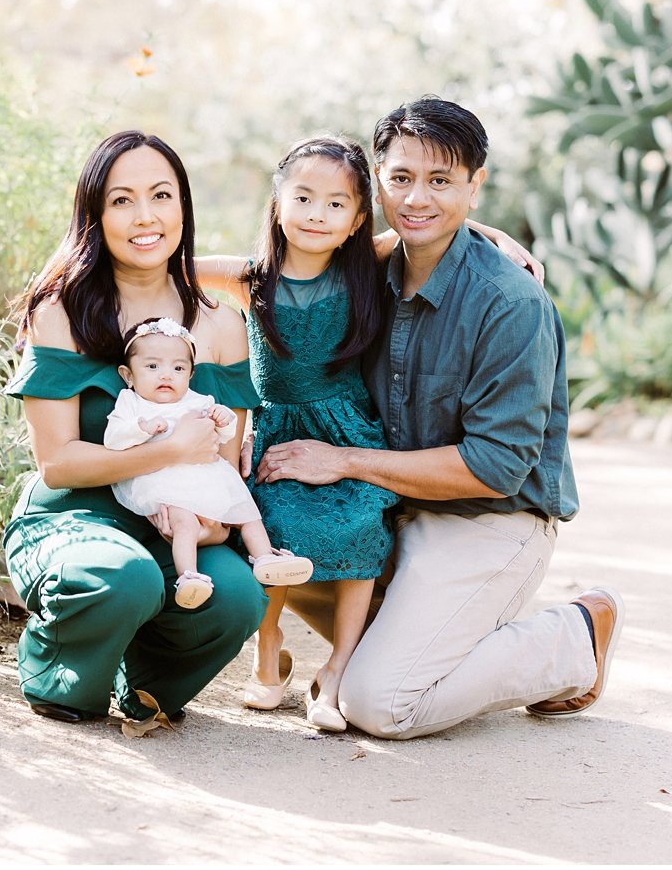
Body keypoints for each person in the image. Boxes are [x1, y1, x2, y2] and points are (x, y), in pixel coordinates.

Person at [254, 96, 624, 740]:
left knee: (383, 703)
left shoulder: (510, 302)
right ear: (378, 182)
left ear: (476, 187)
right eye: (401, 179)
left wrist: (341, 460)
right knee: (263, 546)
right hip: (388, 509)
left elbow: (496, 467)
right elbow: (248, 275)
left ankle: (574, 636)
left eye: (442, 182)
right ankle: (413, 637)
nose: (417, 198)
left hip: (485, 519)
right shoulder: (361, 273)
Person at [2, 130, 267, 726]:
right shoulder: (61, 312)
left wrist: (211, 530)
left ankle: (145, 679)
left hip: (177, 520)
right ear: (95, 215)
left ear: (184, 207)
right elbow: (59, 464)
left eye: (161, 195)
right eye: (122, 200)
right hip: (75, 513)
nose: (145, 216)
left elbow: (219, 469)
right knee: (125, 579)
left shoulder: (222, 327)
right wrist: (167, 448)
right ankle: (60, 672)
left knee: (237, 596)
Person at [196, 136, 400, 732]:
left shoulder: (368, 268)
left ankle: (336, 671)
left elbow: (446, 228)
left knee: (364, 521)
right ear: (277, 201)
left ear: (359, 218)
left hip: (348, 431)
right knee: (274, 524)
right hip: (278, 428)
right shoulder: (249, 278)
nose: (318, 214)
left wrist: (508, 241)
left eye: (337, 205)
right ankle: (268, 652)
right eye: (304, 197)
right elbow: (159, 262)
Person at [103, 315, 313, 610]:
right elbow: (113, 439)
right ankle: (189, 575)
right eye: (152, 366)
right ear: (128, 374)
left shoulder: (197, 400)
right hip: (165, 482)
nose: (166, 375)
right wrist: (142, 428)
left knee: (246, 512)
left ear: (189, 374)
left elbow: (222, 435)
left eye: (178, 368)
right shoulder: (132, 403)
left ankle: (265, 557)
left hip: (208, 477)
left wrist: (223, 420)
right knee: (184, 524)